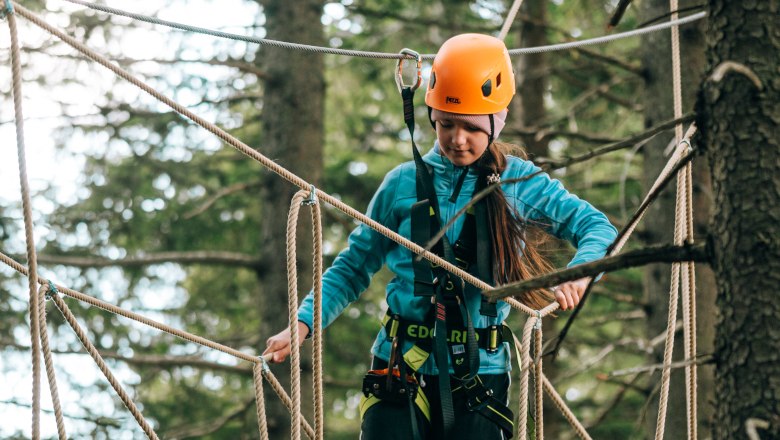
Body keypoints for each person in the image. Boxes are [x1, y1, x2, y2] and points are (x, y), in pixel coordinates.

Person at [263, 33, 617, 440]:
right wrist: (304, 322)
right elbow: (353, 267)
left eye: (470, 127)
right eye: (446, 124)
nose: (456, 139)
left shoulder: (520, 183)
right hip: (398, 366)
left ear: (495, 122)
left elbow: (598, 229)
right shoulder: (401, 184)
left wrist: (580, 274)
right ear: (430, 114)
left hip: (479, 374)